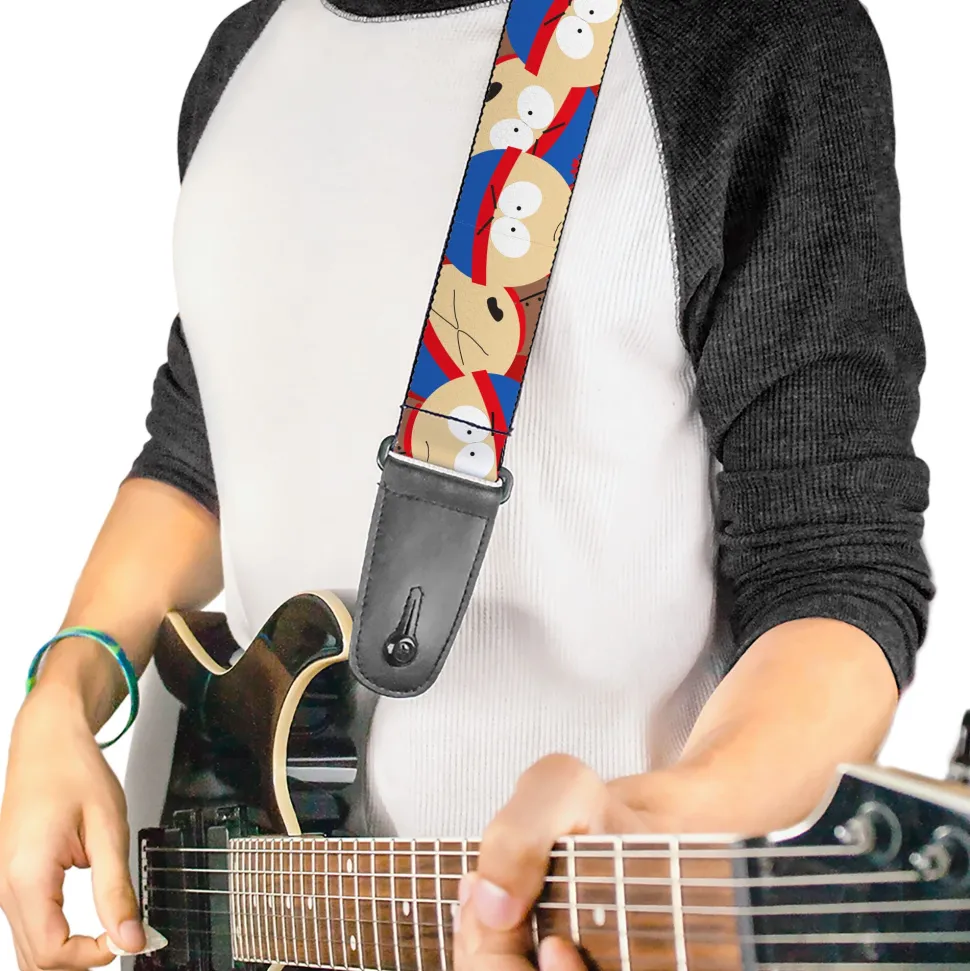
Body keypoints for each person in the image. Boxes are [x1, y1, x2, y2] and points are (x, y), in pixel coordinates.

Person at [0, 0, 934, 969]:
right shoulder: (242, 56)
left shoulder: (753, 38)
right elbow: (199, 454)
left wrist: (657, 821)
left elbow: (835, 572)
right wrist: (64, 691)